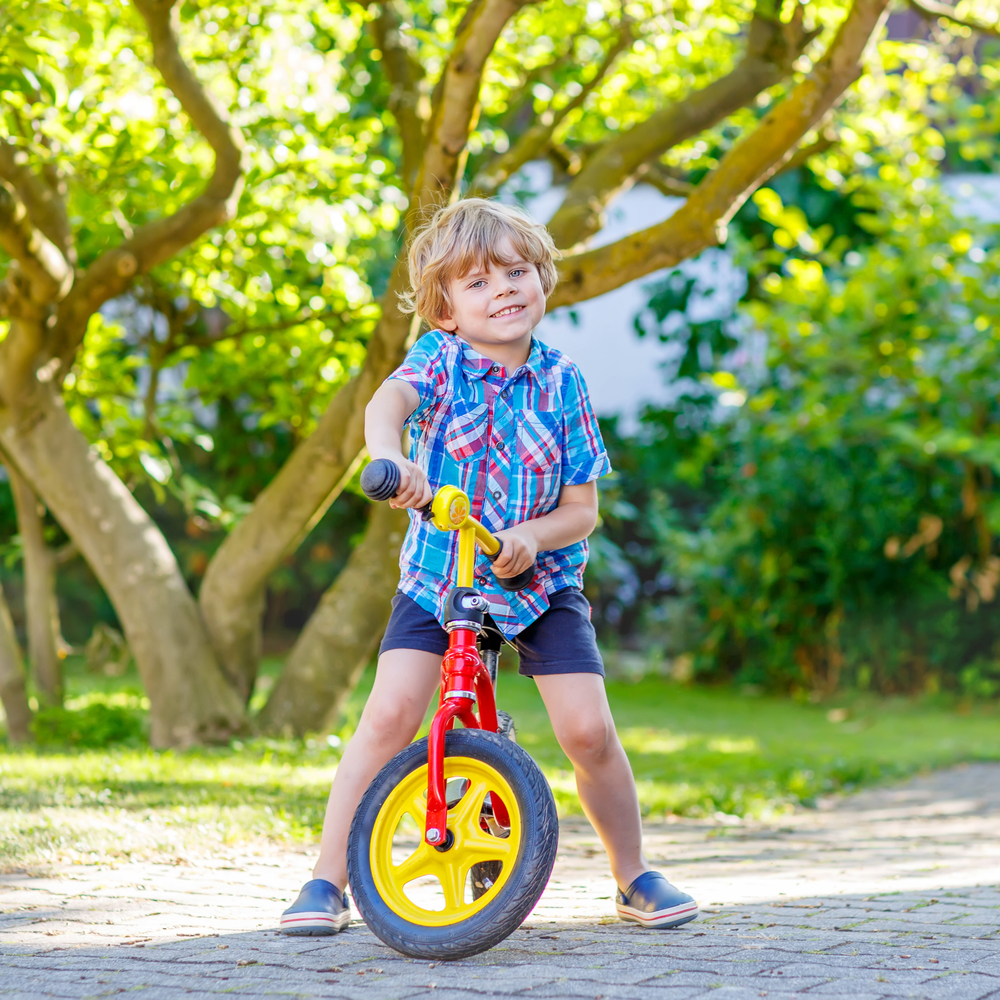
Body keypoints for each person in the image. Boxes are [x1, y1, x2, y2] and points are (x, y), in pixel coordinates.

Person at [279, 198, 698, 935]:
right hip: (442, 579)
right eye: (476, 281)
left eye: (515, 270)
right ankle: (325, 881)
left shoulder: (563, 380)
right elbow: (387, 403)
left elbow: (582, 509)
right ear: (444, 309)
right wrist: (391, 456)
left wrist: (533, 537)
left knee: (589, 733)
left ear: (540, 279)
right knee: (387, 718)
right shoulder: (438, 363)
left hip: (540, 588)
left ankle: (632, 875)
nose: (502, 288)